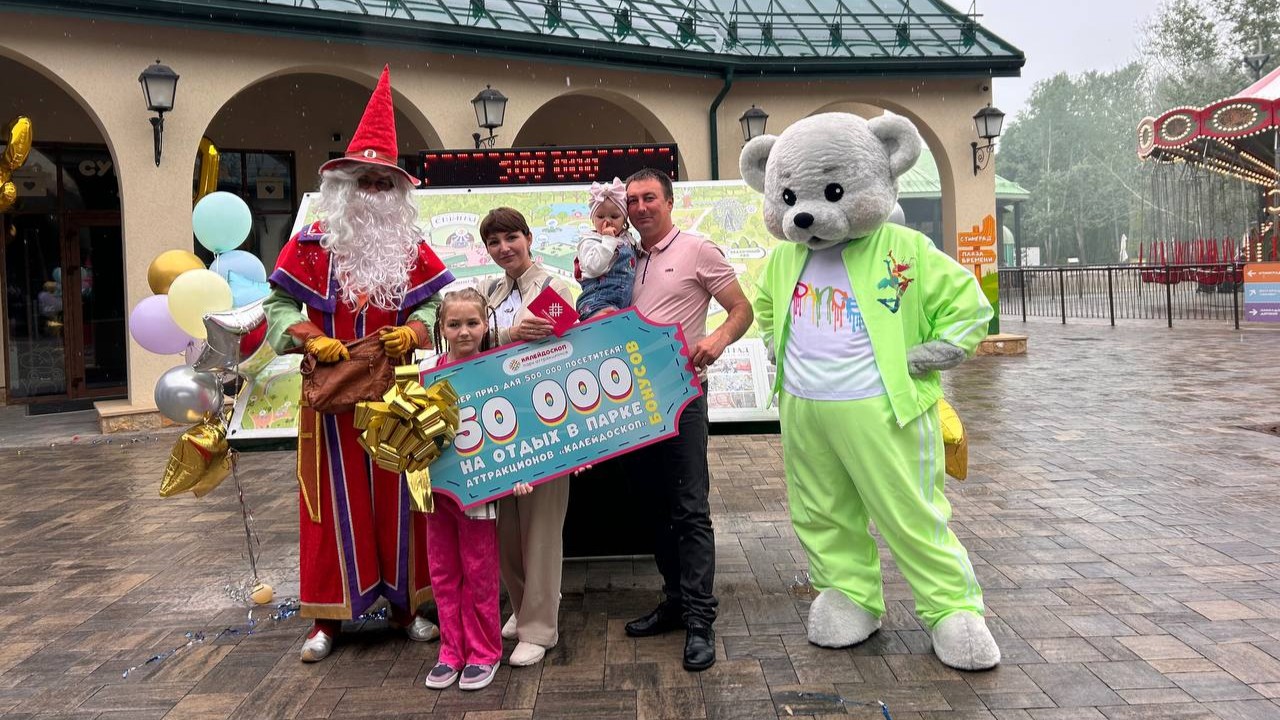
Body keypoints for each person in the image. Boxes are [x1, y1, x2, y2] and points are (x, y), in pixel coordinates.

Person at [263, 66, 455, 663]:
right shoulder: (311, 244)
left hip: (395, 394)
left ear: (396, 191)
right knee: (330, 506)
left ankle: (406, 608)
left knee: (400, 501)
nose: (373, 191)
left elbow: (436, 305)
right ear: (343, 186)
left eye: (382, 183)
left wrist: (414, 331)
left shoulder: (410, 248)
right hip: (331, 398)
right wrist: (306, 337)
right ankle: (328, 618)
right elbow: (275, 306)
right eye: (363, 181)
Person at [621, 168, 754, 671]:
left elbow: (741, 308)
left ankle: (701, 620)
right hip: (632, 404)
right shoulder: (624, 258)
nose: (640, 207)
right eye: (632, 200)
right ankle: (675, 601)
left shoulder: (698, 249)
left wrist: (717, 339)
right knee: (653, 508)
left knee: (689, 510)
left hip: (681, 397)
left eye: (649, 198)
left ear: (669, 202)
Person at [477, 207, 575, 667]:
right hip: (497, 426)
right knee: (507, 528)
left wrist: (505, 337)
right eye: (494, 242)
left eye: (511, 238)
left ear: (529, 237)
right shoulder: (488, 291)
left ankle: (540, 628)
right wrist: (507, 334)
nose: (504, 249)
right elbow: (467, 339)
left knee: (541, 528)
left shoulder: (557, 288)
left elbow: (564, 345)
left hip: (545, 423)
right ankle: (521, 607)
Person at [423, 288, 510, 691]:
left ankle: (484, 651)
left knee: (479, 571)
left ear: (485, 325)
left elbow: (514, 428)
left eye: (472, 323)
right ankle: (451, 650)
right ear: (441, 327)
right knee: (443, 572)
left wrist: (516, 474)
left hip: (479, 488)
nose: (463, 332)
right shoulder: (425, 371)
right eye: (454, 324)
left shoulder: (496, 369)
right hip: (434, 490)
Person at [574, 177, 636, 319]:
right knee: (605, 322)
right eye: (600, 216)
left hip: (621, 305)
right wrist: (608, 241)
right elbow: (594, 267)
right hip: (596, 303)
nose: (607, 221)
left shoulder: (627, 239)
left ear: (624, 219)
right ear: (592, 219)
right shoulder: (589, 241)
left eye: (614, 216)